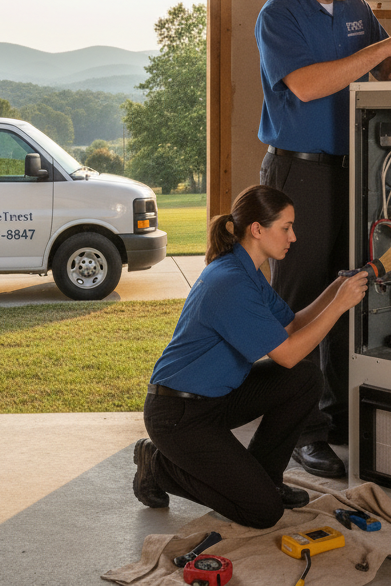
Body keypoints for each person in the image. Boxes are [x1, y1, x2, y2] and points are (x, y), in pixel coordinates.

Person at [255, 0, 391, 479]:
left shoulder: (357, 9)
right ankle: (300, 433)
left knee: (348, 292)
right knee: (300, 301)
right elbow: (308, 86)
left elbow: (379, 63)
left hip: (353, 171)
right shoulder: (279, 14)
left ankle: (335, 418)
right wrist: (383, 46)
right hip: (299, 175)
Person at [132, 184, 369, 529]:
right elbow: (287, 354)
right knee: (263, 512)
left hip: (217, 399)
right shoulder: (230, 282)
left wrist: (334, 291)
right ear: (258, 229)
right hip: (179, 415)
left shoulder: (247, 271)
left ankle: (264, 479)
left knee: (305, 380)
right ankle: (158, 466)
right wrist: (340, 306)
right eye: (286, 227)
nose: (294, 236)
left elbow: (290, 326)